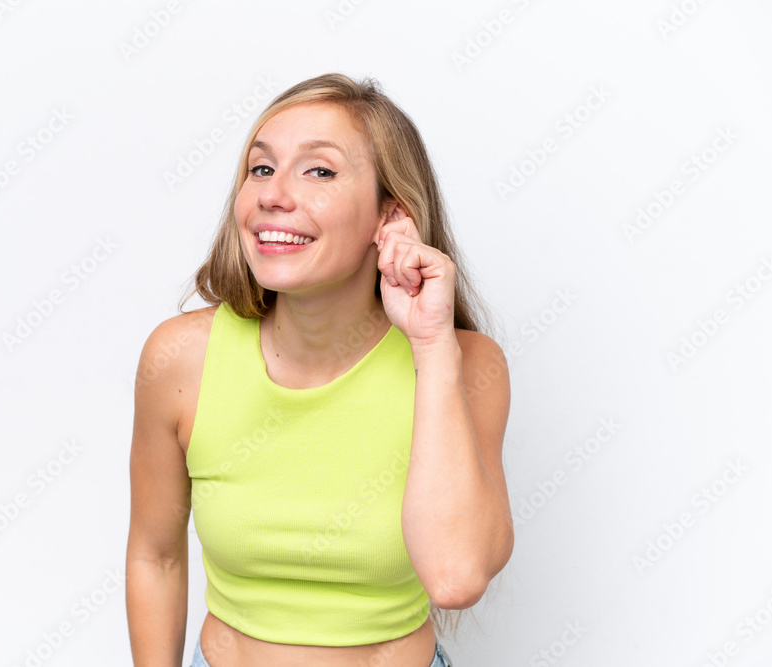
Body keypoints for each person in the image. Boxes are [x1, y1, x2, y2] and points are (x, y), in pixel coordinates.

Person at [126, 72, 514, 667]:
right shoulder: (180, 358)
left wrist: (432, 344)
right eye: (261, 169)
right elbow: (157, 557)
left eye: (320, 171)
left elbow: (456, 578)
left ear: (391, 216)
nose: (273, 195)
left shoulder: (464, 364)